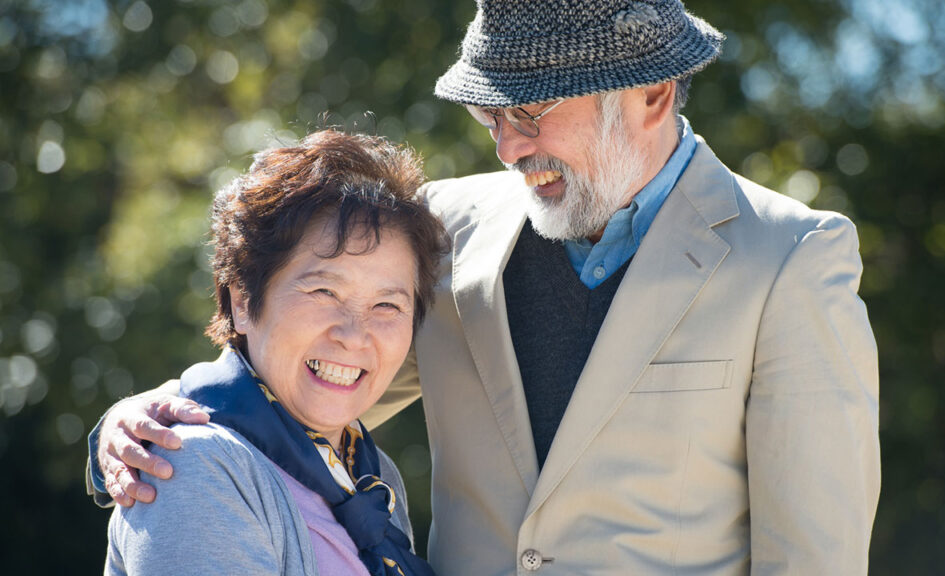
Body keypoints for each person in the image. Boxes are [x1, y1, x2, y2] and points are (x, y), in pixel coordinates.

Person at [90, 1, 881, 574]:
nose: (506, 147)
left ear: (652, 95)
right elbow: (302, 386)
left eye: (529, 113)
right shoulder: (443, 226)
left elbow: (815, 558)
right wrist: (137, 426)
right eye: (488, 117)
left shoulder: (791, 259)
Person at [102, 129, 444, 576]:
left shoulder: (374, 477)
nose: (354, 335)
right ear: (243, 301)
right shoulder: (194, 467)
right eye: (324, 291)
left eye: (387, 304)